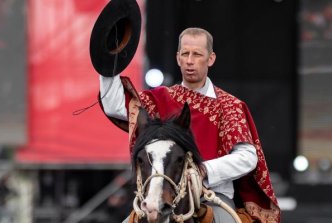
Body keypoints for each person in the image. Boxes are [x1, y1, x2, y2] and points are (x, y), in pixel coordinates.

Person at [98, 27, 280, 222]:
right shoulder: (160, 98)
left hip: (213, 198)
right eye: (185, 54)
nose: (190, 61)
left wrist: (203, 170)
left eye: (197, 54)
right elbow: (114, 106)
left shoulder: (229, 106)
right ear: (178, 58)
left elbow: (247, 158)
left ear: (211, 59)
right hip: (160, 195)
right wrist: (109, 62)